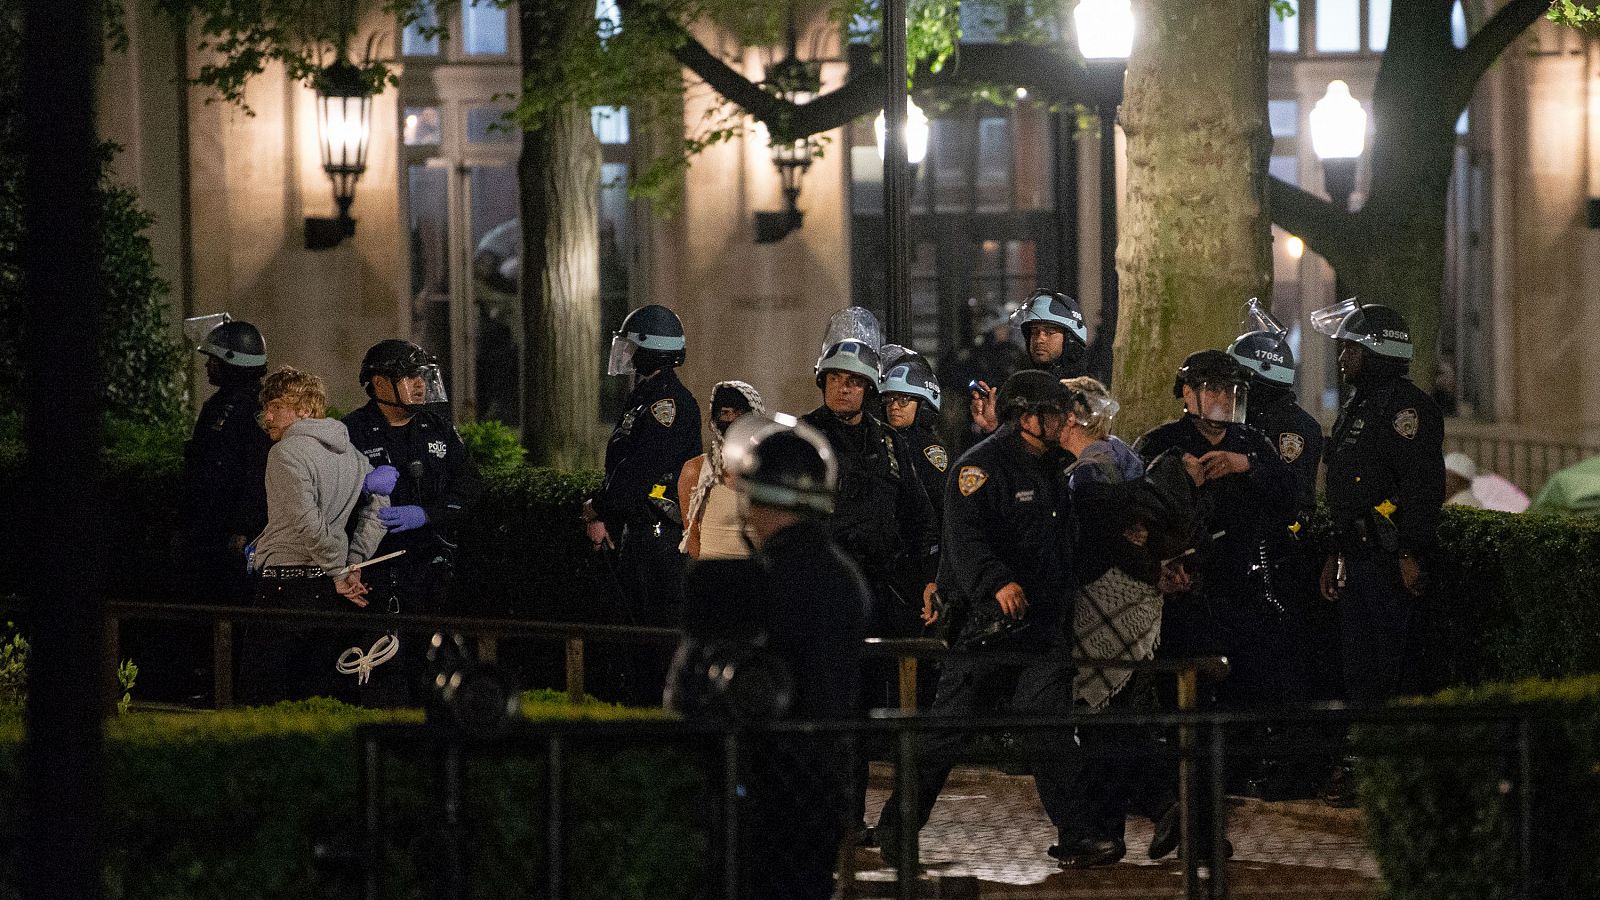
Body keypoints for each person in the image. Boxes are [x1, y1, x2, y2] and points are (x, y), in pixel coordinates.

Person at [873, 370, 1084, 869]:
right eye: (1054, 413)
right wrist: (996, 583)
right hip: (988, 629)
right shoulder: (981, 468)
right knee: (946, 735)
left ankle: (1081, 836)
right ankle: (896, 830)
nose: (1065, 422)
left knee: (1051, 732)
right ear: (1026, 417)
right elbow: (965, 539)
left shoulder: (1054, 468)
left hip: (1041, 628)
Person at [667, 413, 867, 899]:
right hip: (826, 789)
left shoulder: (740, 582)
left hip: (753, 791)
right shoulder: (847, 581)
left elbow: (687, 692)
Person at [1056, 381, 1201, 865]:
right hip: (1141, 605)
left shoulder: (1089, 472)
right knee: (1119, 715)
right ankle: (1122, 829)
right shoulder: (1124, 457)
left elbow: (1102, 539)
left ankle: (1157, 809)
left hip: (1105, 602)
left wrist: (1142, 565)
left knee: (1101, 720)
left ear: (1073, 417)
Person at [1314, 303, 1445, 705]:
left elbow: (1421, 487)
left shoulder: (1408, 409)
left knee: (1392, 674)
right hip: (1357, 557)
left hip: (1389, 563)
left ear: (1377, 352)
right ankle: (1362, 760)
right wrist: (1335, 552)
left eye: (1350, 350)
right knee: (1359, 672)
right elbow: (1347, 489)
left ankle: (1390, 762)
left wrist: (1409, 552)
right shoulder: (1360, 405)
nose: (1342, 358)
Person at [343, 339, 484, 705]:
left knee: (435, 678)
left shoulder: (437, 428)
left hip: (431, 571)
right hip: (376, 575)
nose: (419, 384)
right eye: (407, 376)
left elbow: (470, 486)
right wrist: (361, 485)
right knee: (381, 680)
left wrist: (428, 514)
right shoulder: (352, 431)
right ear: (378, 384)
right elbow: (331, 498)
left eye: (421, 375)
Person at [242, 367, 387, 704]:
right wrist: (354, 561)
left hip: (283, 586)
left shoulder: (285, 453)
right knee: (315, 697)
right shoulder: (351, 454)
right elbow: (380, 506)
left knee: (263, 698)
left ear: (305, 409)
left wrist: (340, 572)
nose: (267, 416)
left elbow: (307, 522)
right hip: (326, 591)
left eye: (277, 406)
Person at [1228, 325, 1329, 797]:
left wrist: (1247, 465)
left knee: (1287, 661)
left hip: (1282, 556)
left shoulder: (1293, 429)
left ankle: (1297, 768)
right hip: (1249, 552)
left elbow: (1290, 491)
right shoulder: (1245, 426)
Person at [582, 304, 703, 626]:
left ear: (652, 349)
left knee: (657, 632)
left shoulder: (668, 403)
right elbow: (622, 465)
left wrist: (600, 507)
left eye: (633, 346)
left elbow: (642, 467)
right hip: (639, 536)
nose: (628, 354)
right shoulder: (643, 397)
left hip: (659, 539)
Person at [179, 316, 273, 604]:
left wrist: (243, 528)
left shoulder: (258, 408)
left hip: (233, 533)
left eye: (213, 359)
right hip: (207, 528)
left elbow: (256, 472)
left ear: (231, 361)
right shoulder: (216, 405)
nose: (207, 365)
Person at [969, 290, 1088, 436]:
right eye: (1034, 332)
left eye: (1049, 332)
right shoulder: (1020, 383)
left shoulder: (1086, 389)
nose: (1039, 339)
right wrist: (993, 427)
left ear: (1071, 339)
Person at [676, 380, 764, 560]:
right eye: (725, 413)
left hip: (758, 578)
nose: (731, 420)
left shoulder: (771, 470)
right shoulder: (696, 470)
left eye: (739, 414)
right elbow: (691, 536)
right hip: (711, 578)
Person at [879, 345, 949, 528]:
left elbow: (939, 505)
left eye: (903, 400)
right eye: (889, 399)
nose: (894, 407)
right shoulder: (882, 440)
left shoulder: (929, 450)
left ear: (924, 405)